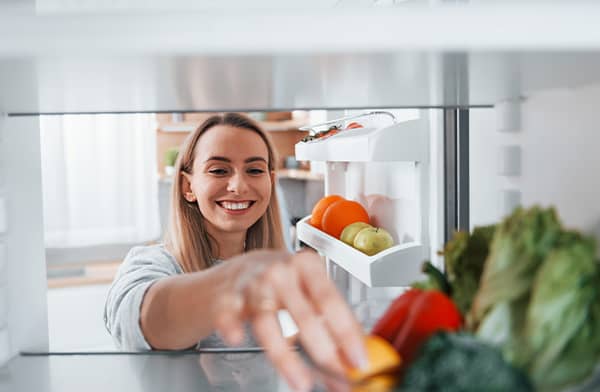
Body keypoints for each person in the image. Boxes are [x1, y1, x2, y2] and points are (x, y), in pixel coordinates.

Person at [104, 113, 367, 391]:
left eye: (254, 170)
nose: (239, 186)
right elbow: (139, 320)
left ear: (270, 181)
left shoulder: (265, 276)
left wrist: (301, 349)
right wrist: (234, 282)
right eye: (218, 170)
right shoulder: (151, 262)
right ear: (187, 186)